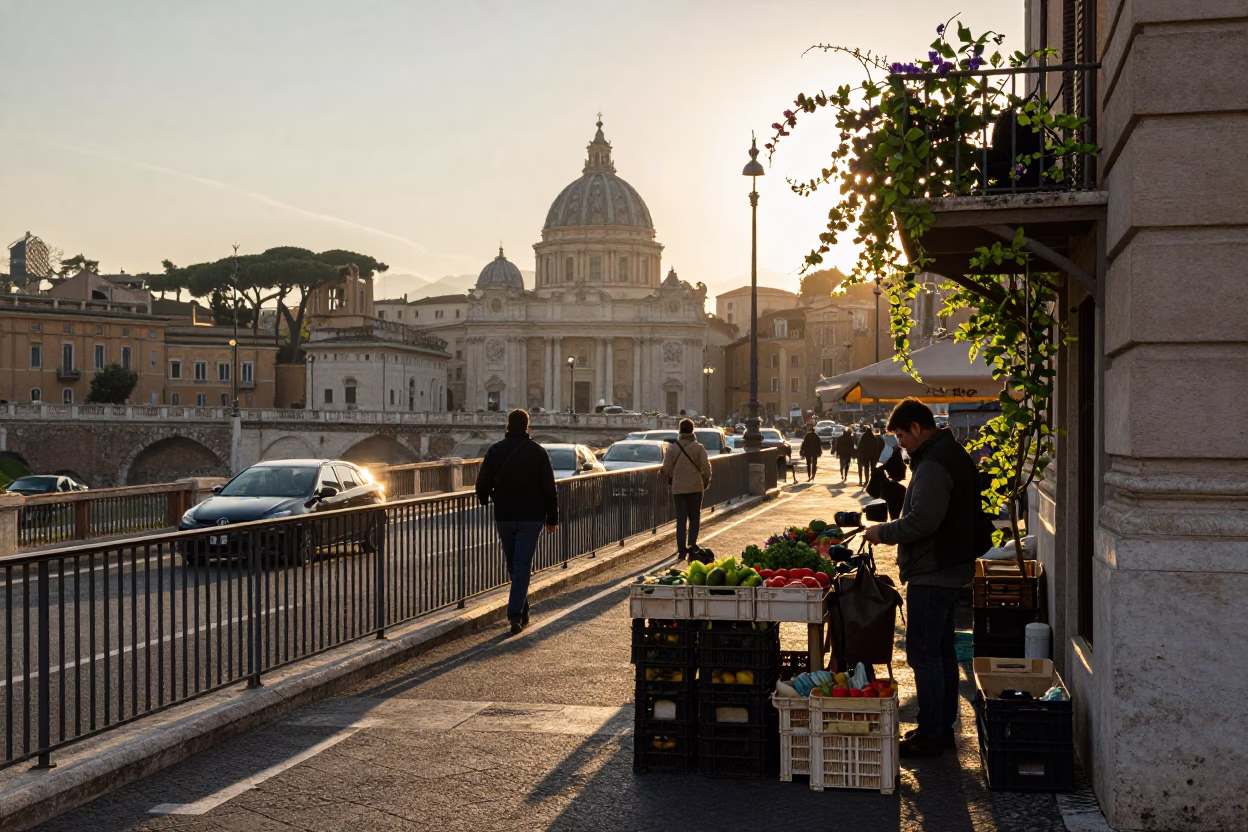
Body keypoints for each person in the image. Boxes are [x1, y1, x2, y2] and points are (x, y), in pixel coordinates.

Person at [863, 398, 992, 758]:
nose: (900, 443)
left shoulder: (935, 462)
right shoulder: (947, 453)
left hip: (934, 570)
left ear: (917, 429)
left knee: (925, 653)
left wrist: (882, 532)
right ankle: (940, 727)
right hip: (948, 568)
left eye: (902, 435)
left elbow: (923, 520)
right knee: (941, 651)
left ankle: (932, 731)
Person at [474, 409, 559, 634]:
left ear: (508, 425)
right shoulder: (538, 452)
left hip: (505, 514)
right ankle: (519, 612)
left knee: (514, 565)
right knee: (520, 566)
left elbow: (482, 482)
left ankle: (515, 614)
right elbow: (549, 488)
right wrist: (552, 517)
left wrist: (485, 498)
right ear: (527, 426)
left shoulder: (495, 450)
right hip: (532, 517)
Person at [661, 418, 712, 559]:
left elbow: (666, 469)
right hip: (696, 487)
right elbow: (706, 468)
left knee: (681, 519)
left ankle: (681, 548)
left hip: (679, 488)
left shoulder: (672, 448)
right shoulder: (699, 447)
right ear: (692, 430)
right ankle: (692, 544)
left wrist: (664, 472)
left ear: (680, 430)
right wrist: (706, 480)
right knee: (695, 517)